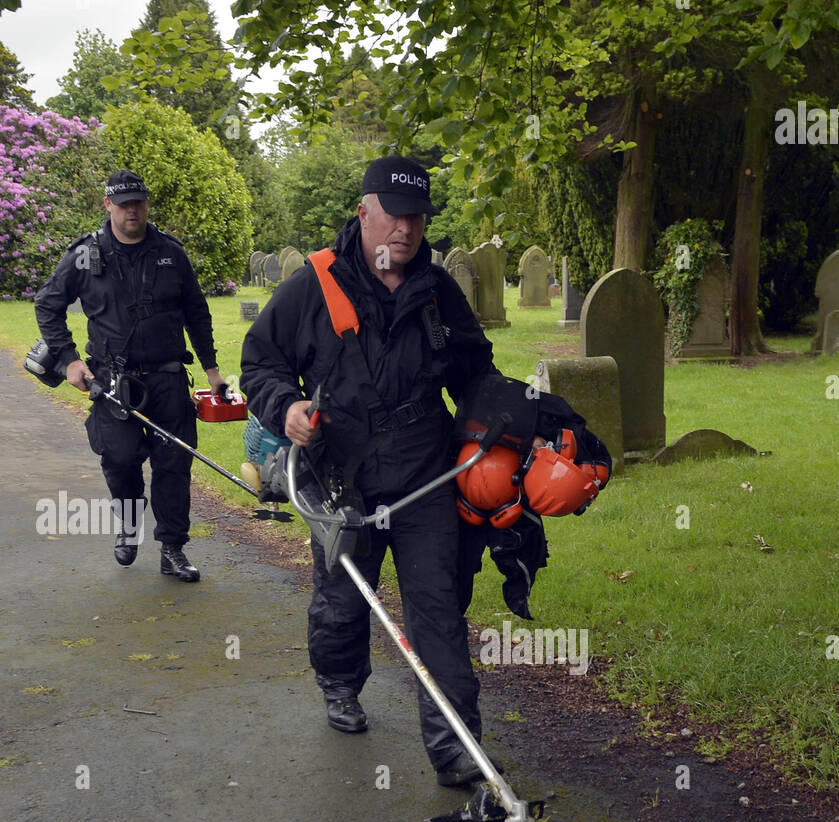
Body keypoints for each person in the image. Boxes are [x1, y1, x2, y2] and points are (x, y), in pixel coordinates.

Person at [240, 155, 498, 787]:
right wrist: (288, 407)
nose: (405, 229)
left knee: (437, 608)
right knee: (343, 599)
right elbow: (260, 364)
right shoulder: (313, 284)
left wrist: (506, 423)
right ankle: (339, 683)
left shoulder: (437, 290)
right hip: (340, 475)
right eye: (393, 214)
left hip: (424, 472)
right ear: (363, 212)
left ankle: (455, 746)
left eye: (416, 216)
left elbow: (476, 373)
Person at [34, 170, 227, 582]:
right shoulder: (86, 255)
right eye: (123, 204)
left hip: (168, 378)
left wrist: (211, 370)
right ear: (108, 205)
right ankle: (128, 522)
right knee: (120, 459)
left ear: (146, 203)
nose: (132, 210)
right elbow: (47, 304)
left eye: (138, 202)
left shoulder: (171, 253)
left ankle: (172, 548)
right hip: (110, 382)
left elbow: (197, 312)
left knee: (174, 463)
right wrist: (69, 360)